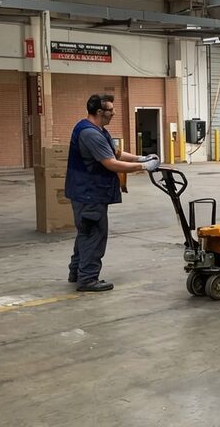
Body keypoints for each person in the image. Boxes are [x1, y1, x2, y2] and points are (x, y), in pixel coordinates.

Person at [65, 94, 161, 292]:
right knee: (94, 234)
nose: (114, 113)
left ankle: (77, 272)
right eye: (111, 110)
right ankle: (88, 279)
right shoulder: (90, 134)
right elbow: (111, 164)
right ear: (99, 112)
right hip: (89, 194)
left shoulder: (98, 130)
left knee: (85, 232)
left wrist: (141, 158)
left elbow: (115, 153)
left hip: (87, 193)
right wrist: (144, 168)